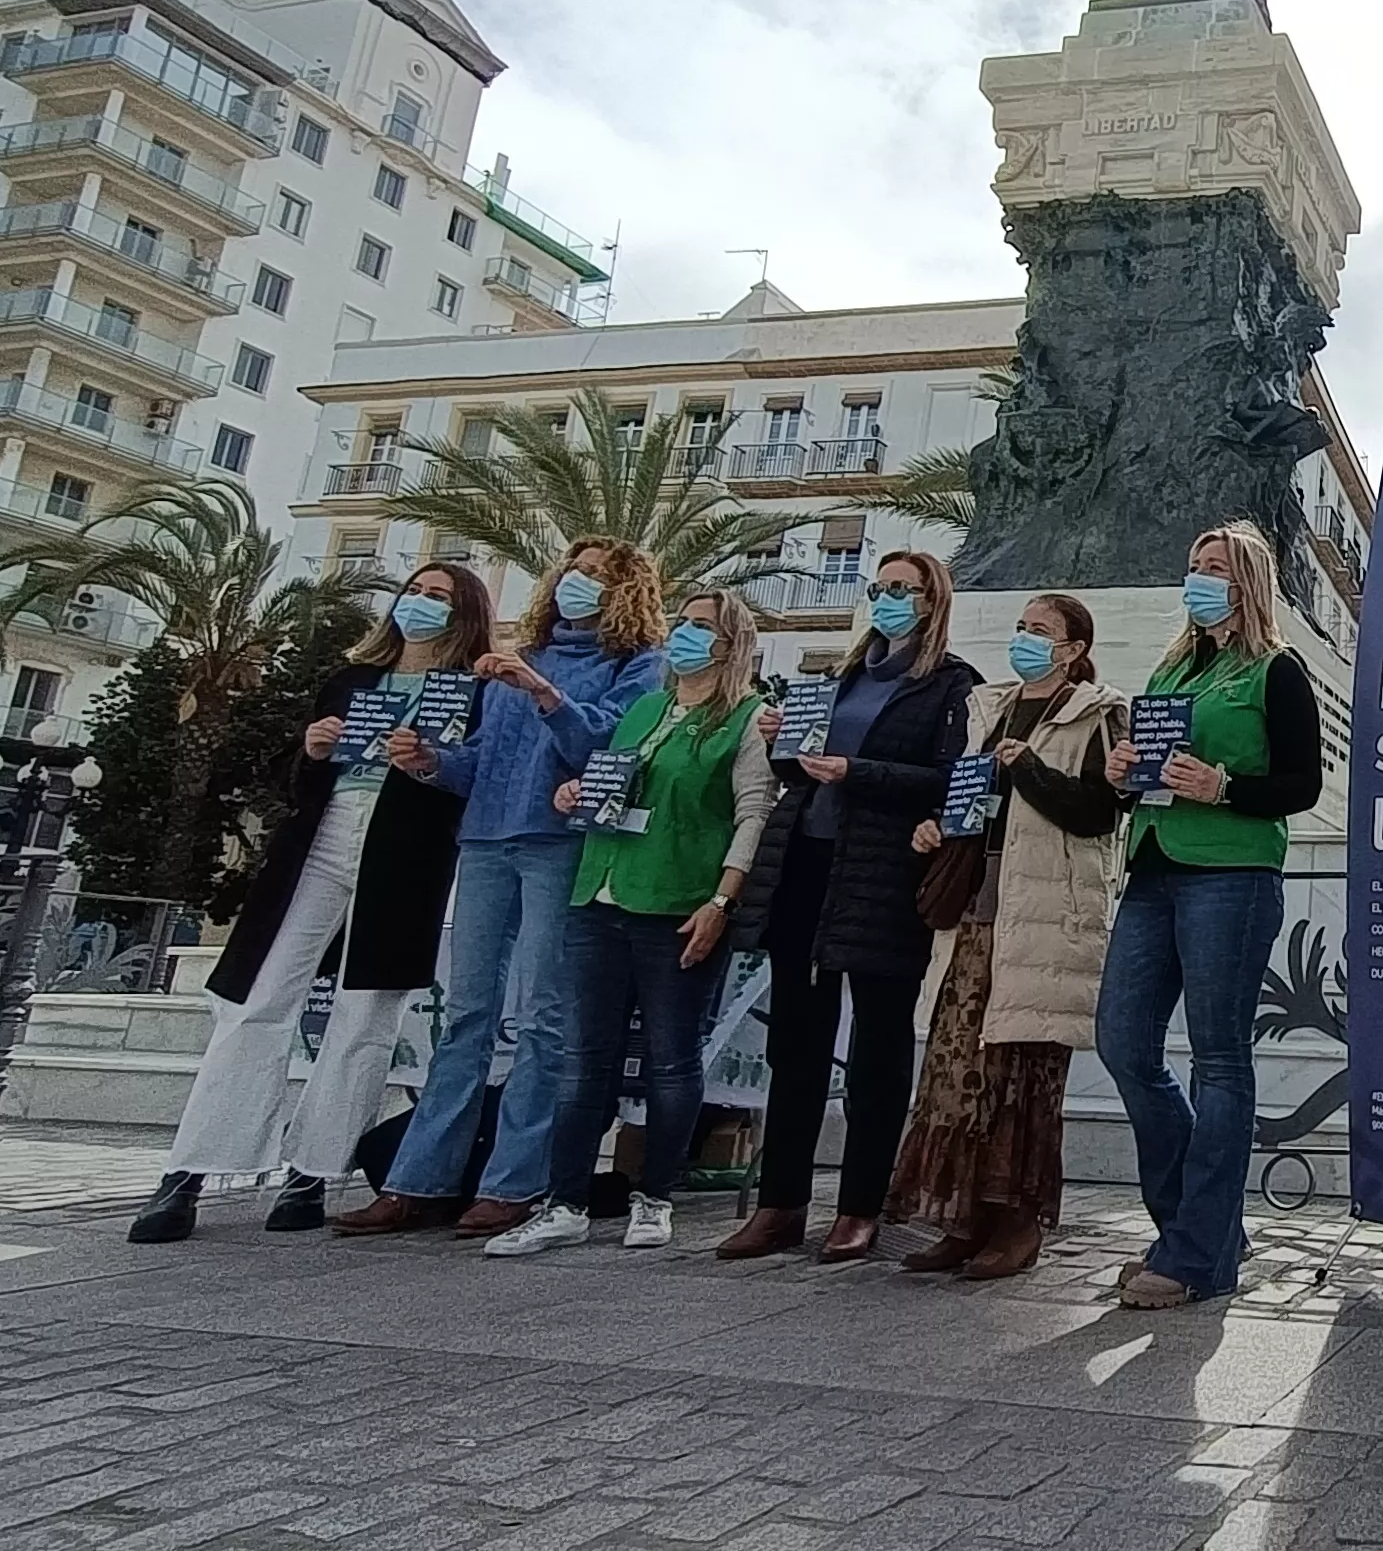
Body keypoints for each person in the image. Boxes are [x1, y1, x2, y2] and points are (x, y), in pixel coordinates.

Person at [128, 565, 493, 1243]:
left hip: (406, 857)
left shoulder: (477, 692)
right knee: (256, 1001)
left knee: (365, 1016)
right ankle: (190, 1169)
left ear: (464, 613)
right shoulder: (350, 680)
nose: (420, 604)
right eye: (414, 591)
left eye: (438, 597)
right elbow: (292, 776)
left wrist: (429, 763)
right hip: (319, 844)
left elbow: (478, 778)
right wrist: (312, 748)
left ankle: (314, 1172)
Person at [334, 539, 666, 1238]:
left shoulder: (636, 666)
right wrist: (429, 763)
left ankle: (515, 1182)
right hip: (485, 840)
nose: (580, 584)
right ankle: (416, 1181)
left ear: (625, 591)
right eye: (575, 572)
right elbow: (478, 759)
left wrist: (543, 694)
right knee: (466, 1014)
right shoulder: (522, 658)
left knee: (545, 1017)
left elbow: (608, 753)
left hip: (559, 845)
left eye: (599, 578)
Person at [486, 590, 774, 1257]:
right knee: (584, 1059)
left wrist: (721, 903)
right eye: (683, 624)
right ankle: (565, 1202)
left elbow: (752, 813)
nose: (686, 636)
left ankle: (654, 1198)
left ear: (731, 644)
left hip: (679, 905)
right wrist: (576, 796)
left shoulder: (748, 719)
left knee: (673, 1062)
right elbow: (610, 781)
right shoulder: (646, 708)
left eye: (703, 628)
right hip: (601, 895)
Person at [721, 549, 981, 1263]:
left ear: (932, 602)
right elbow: (796, 772)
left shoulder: (952, 686)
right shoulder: (840, 679)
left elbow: (950, 780)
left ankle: (861, 1204)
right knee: (796, 1044)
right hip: (805, 861)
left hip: (882, 875)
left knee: (877, 1045)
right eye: (883, 587)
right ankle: (780, 1203)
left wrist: (859, 771)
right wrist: (781, 747)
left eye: (907, 588)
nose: (891, 597)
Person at [1095, 522, 1324, 1310]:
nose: (1199, 578)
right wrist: (1124, 771)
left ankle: (1196, 1253)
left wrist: (1223, 786)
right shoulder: (1173, 666)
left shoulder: (1277, 670)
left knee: (1218, 1059)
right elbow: (1150, 772)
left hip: (1231, 873)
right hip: (1154, 864)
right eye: (1193, 565)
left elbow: (1302, 786)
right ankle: (1198, 1226)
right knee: (1124, 1044)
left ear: (1248, 580)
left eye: (1215, 567)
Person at [886, 593, 1127, 1280]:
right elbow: (968, 799)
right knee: (957, 1068)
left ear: (1074, 649)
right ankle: (962, 1217)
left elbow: (1097, 814)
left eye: (1041, 632)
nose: (1025, 640)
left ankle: (1017, 1221)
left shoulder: (1097, 713)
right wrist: (937, 829)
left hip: (1045, 915)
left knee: (1022, 1071)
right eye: (1021, 628)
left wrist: (1029, 768)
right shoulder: (987, 709)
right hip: (977, 911)